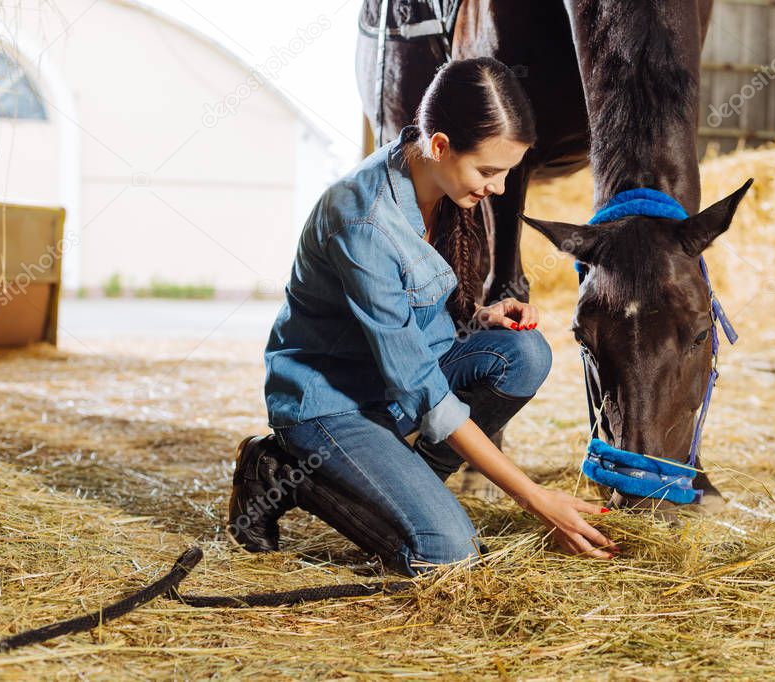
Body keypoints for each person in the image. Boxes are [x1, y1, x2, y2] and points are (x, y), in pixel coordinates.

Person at [228, 57, 618, 577]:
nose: (498, 188)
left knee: (523, 353)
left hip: (392, 390)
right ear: (439, 145)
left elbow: (411, 316)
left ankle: (413, 485)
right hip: (333, 405)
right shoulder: (363, 220)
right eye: (488, 171)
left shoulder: (438, 181)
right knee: (445, 554)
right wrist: (532, 497)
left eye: (507, 172)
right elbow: (420, 387)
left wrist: (480, 318)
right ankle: (285, 470)